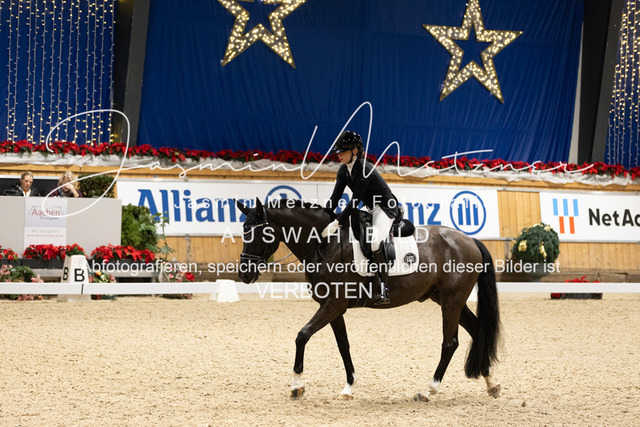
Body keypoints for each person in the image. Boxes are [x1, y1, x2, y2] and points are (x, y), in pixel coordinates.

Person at [322, 130, 400, 305]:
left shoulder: (365, 168)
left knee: (375, 241)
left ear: (355, 151)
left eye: (342, 152)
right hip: (370, 207)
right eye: (338, 152)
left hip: (385, 207)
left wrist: (337, 222)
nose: (339, 155)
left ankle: (384, 287)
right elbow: (335, 198)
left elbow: (355, 200)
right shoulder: (343, 170)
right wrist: (324, 215)